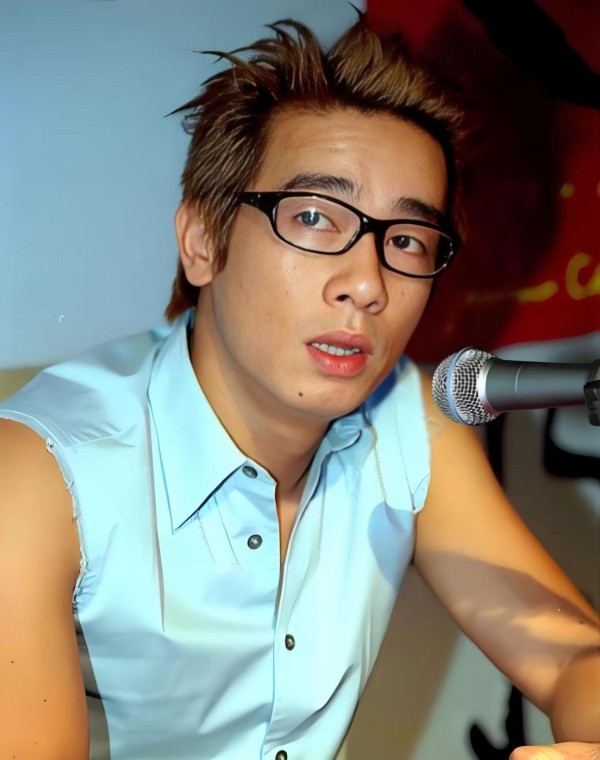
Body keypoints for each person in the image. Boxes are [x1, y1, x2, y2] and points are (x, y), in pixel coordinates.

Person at [0, 13, 598, 760]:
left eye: (406, 239)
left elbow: (573, 656)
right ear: (202, 240)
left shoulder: (408, 421)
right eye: (314, 217)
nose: (366, 284)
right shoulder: (40, 473)